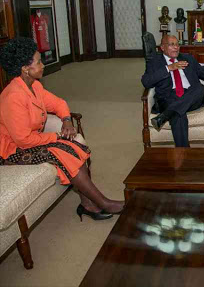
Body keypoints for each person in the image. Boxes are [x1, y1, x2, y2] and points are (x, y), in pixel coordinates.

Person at [0, 38, 124, 221]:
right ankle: (104, 203)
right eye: (38, 62)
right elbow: (23, 140)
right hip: (11, 151)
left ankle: (88, 203)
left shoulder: (34, 85)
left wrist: (66, 121)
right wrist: (57, 136)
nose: (43, 65)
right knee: (64, 152)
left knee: (73, 147)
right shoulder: (13, 96)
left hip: (30, 140)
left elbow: (58, 103)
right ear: (25, 69)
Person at [141, 34, 204, 147]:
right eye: (172, 45)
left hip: (191, 97)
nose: (176, 47)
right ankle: (184, 154)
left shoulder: (188, 58)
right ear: (162, 47)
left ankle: (165, 115)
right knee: (178, 115)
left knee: (199, 88)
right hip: (169, 98)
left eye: (177, 44)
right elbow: (146, 82)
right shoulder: (154, 61)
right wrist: (169, 68)